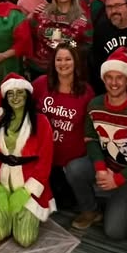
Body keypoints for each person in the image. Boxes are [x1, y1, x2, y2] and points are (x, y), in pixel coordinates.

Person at [67, 47, 127, 239]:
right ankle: (91, 210)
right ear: (103, 79)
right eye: (109, 77)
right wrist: (99, 168)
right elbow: (90, 139)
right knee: (74, 168)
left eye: (119, 77)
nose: (114, 83)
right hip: (106, 166)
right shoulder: (95, 105)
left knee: (115, 232)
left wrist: (119, 179)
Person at [0, 74, 54, 247]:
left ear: (27, 95)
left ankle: (26, 212)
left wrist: (26, 191)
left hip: (27, 183)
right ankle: (5, 209)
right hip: (1, 182)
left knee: (24, 239)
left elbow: (45, 161)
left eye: (20, 93)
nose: (15, 98)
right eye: (10, 93)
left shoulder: (41, 121)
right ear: (5, 96)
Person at [33, 43, 94, 204]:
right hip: (45, 156)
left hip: (71, 161)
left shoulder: (86, 92)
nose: (63, 63)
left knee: (67, 202)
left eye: (68, 59)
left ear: (76, 62)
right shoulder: (41, 83)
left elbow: (91, 129)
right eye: (59, 59)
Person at [15, 0, 89, 80]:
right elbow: (30, 34)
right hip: (39, 69)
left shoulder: (81, 17)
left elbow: (82, 44)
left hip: (67, 71)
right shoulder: (42, 11)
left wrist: (49, 33)